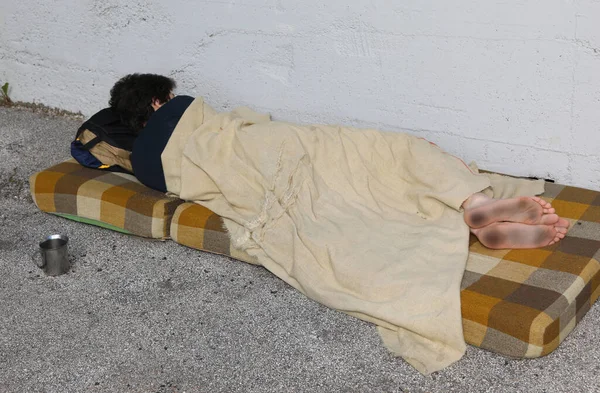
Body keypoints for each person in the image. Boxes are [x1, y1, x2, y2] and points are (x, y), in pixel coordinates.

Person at [108, 73, 570, 249]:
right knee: (388, 151)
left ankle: (467, 211)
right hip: (278, 144)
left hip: (252, 180)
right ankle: (470, 199)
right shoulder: (182, 105)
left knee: (343, 192)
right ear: (156, 102)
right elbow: (244, 124)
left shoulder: (145, 165)